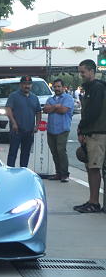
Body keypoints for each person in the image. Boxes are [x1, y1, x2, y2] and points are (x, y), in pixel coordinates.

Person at [74, 59, 106, 213]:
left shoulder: (97, 88)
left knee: (94, 168)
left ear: (91, 71)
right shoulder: (91, 88)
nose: (81, 75)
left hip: (97, 134)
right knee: (91, 167)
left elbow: (93, 112)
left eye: (83, 72)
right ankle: (93, 201)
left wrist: (81, 128)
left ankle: (94, 202)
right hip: (93, 133)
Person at [4, 75, 42, 168]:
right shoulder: (13, 96)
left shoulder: (34, 98)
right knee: (13, 153)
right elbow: (8, 110)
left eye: (29, 84)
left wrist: (37, 126)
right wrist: (13, 123)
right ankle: (10, 171)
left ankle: (23, 171)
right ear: (20, 85)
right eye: (25, 84)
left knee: (26, 153)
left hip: (29, 130)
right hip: (16, 130)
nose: (27, 86)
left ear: (31, 85)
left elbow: (38, 112)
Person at [43, 79, 74, 182]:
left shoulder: (68, 98)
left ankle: (65, 174)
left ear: (63, 87)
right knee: (54, 152)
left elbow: (63, 110)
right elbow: (45, 110)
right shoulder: (50, 99)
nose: (56, 88)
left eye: (59, 86)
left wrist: (53, 108)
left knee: (61, 151)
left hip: (62, 129)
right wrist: (56, 106)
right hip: (51, 129)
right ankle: (58, 173)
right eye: (55, 87)